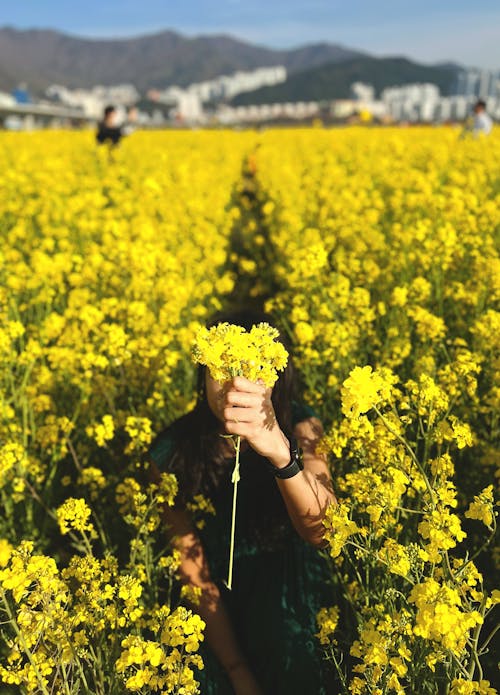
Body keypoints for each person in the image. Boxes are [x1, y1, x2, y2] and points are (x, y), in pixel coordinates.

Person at [148, 309, 336, 695]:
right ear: (201, 374)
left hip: (285, 587)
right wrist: (237, 672)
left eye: (251, 368)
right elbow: (193, 570)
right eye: (222, 367)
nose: (235, 383)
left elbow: (326, 533)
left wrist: (280, 453)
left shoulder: (302, 427)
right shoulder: (169, 453)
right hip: (213, 606)